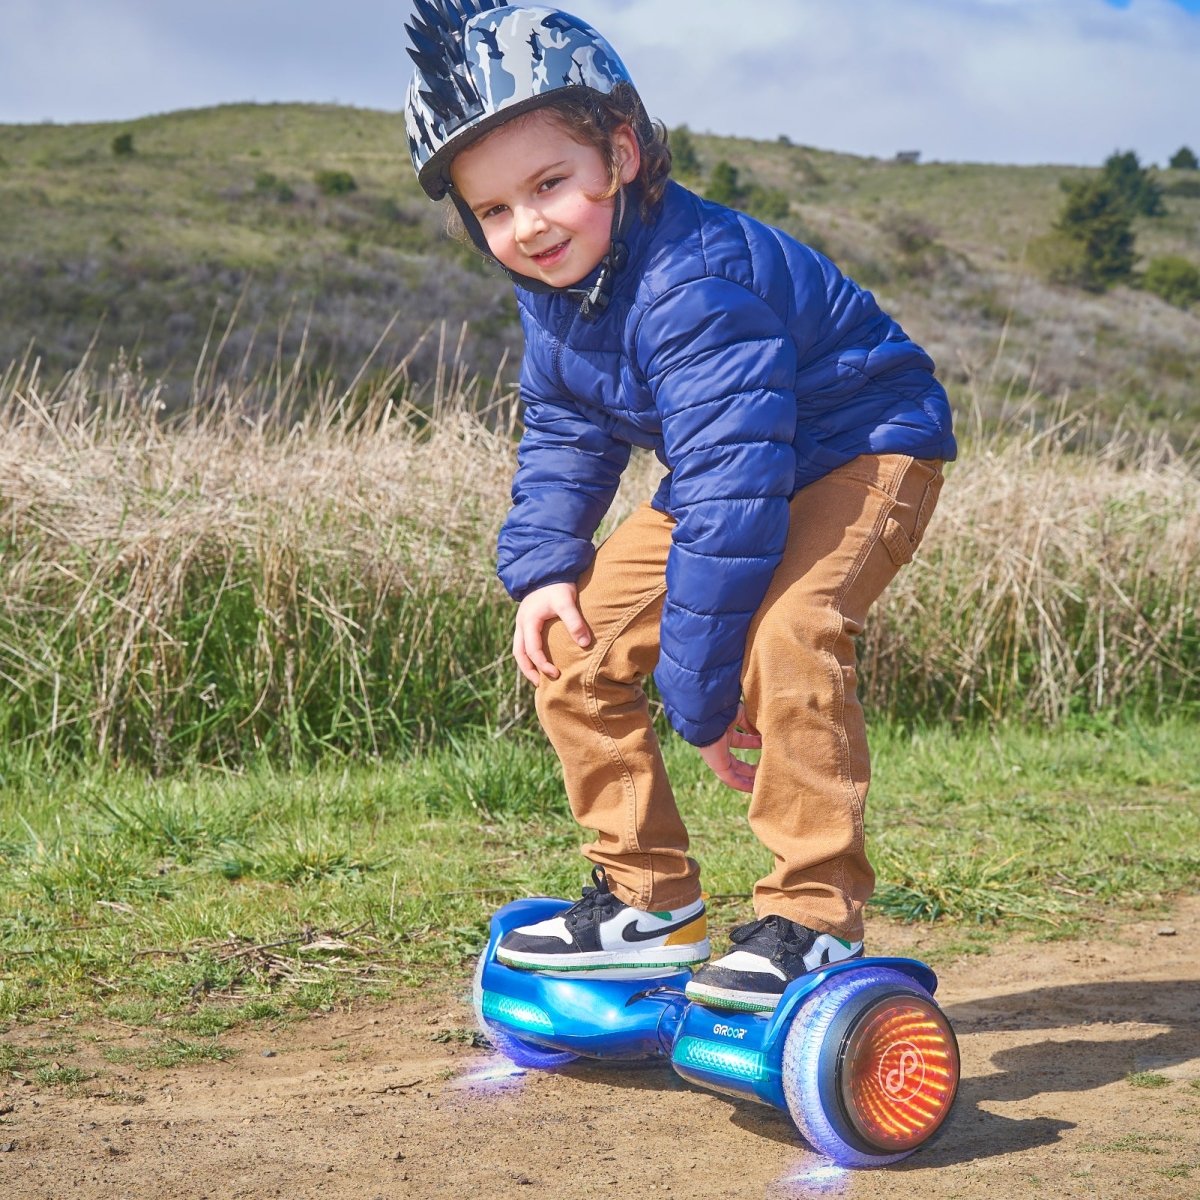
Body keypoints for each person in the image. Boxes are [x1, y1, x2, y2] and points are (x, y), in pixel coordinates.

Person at [404, 2, 955, 1013]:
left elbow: (732, 502)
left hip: (863, 449)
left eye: (548, 185)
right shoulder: (560, 297)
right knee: (572, 646)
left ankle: (814, 920)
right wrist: (543, 571)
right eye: (492, 211)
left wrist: (703, 702)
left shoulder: (692, 282)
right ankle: (646, 901)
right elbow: (569, 432)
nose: (525, 226)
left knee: (790, 634)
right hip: (730, 466)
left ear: (619, 153)